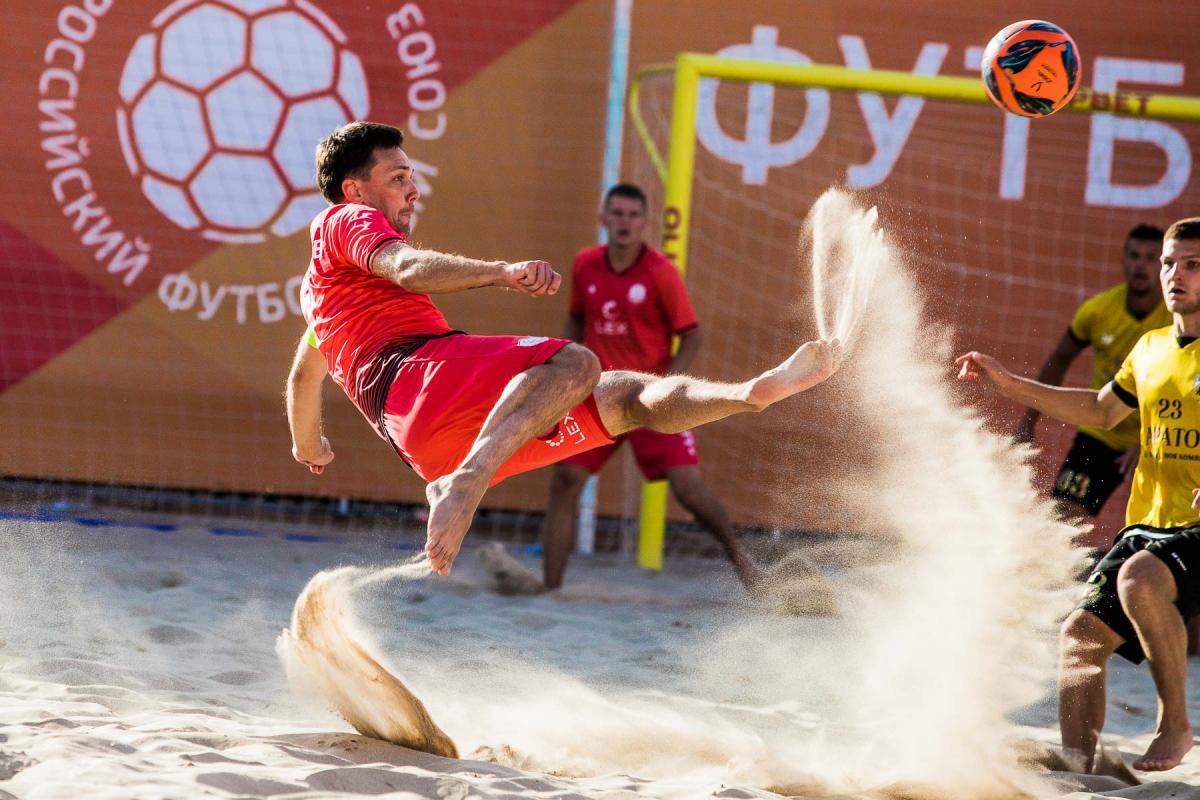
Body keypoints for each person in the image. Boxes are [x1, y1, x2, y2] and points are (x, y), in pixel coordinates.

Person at [285, 121, 843, 579]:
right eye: (398, 177)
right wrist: (502, 272)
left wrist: (312, 450)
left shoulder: (323, 294)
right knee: (576, 361)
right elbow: (406, 267)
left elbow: (304, 377)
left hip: (428, 440)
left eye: (411, 177)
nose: (413, 190)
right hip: (420, 381)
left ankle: (750, 394)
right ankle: (468, 485)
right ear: (354, 190)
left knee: (627, 397)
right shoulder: (347, 219)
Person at [955, 217, 1200, 774]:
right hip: (1149, 524)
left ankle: (1175, 725)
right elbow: (1100, 410)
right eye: (1170, 263)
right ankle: (1080, 768)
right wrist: (1010, 384)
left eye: (1192, 265)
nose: (1174, 275)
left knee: (1138, 580)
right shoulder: (1152, 347)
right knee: (1080, 637)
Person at [539, 183, 759, 590]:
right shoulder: (585, 264)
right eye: (617, 213)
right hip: (598, 394)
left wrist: (669, 386)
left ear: (644, 223)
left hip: (647, 397)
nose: (624, 222)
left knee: (689, 490)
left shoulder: (660, 272)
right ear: (604, 218)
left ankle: (748, 568)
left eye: (632, 215)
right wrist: (564, 360)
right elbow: (576, 318)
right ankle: (548, 592)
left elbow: (692, 335)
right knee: (565, 481)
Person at [1014, 225, 1168, 522]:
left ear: (1164, 266)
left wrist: (1148, 442)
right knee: (1061, 517)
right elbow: (1059, 359)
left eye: (1151, 258)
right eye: (1134, 256)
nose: (1141, 265)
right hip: (1100, 430)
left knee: (1165, 525)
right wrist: (1027, 421)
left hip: (1156, 436)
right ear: (1123, 260)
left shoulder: (1176, 322)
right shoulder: (1097, 311)